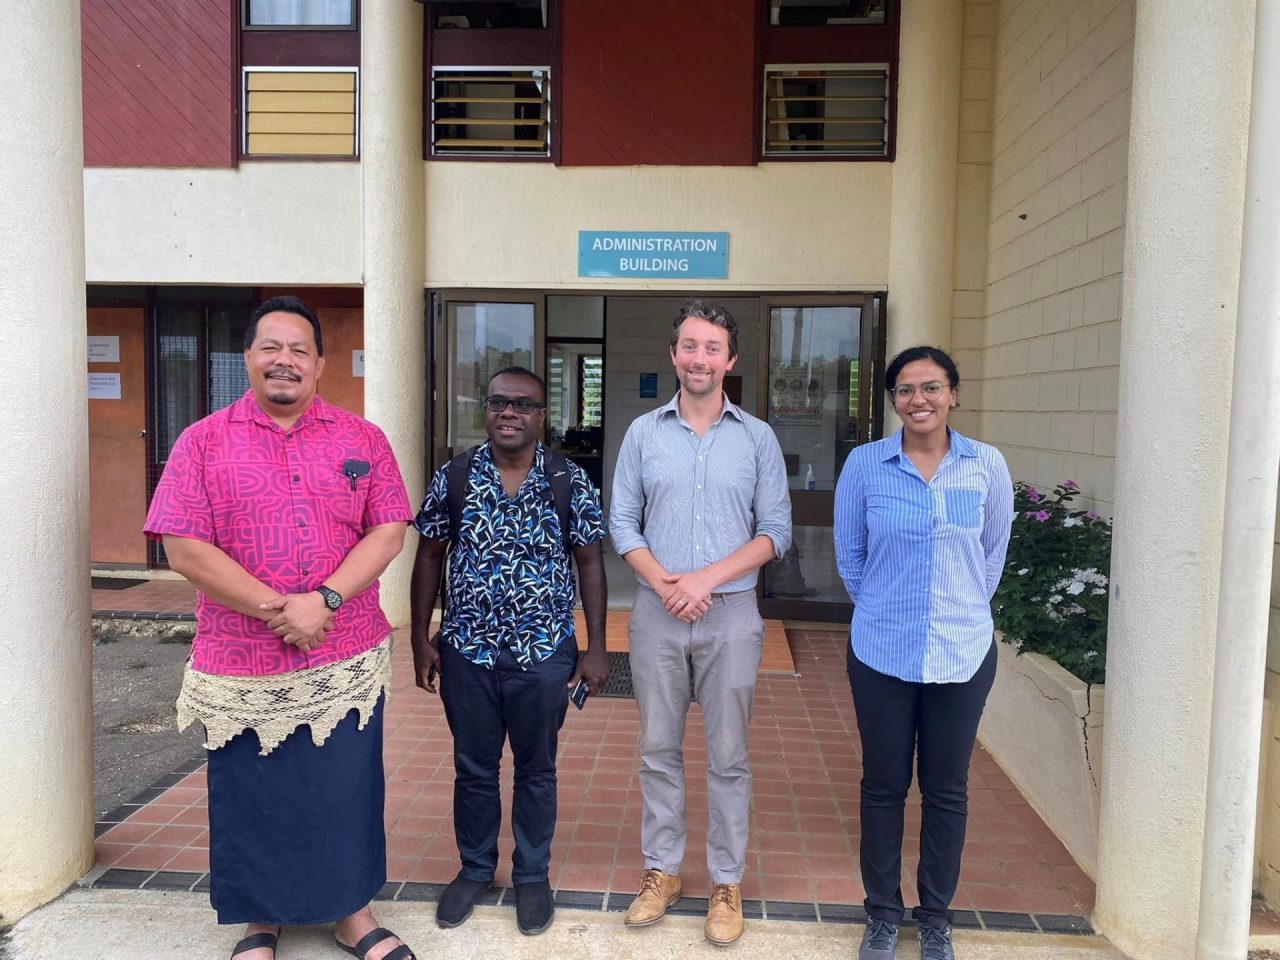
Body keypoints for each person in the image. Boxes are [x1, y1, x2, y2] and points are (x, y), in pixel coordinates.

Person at [143, 295, 416, 960]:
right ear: (248, 359)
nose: (285, 361)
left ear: (320, 365)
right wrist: (280, 607)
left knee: (342, 787)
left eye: (300, 350)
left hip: (342, 651)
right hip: (243, 660)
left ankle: (352, 913)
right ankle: (257, 921)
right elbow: (181, 546)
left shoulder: (363, 439)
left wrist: (322, 599)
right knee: (251, 792)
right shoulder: (202, 442)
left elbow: (388, 528)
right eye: (272, 348)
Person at [610, 300, 792, 946]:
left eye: (712, 348)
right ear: (674, 354)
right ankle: (662, 871)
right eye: (689, 346)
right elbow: (623, 522)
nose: (699, 359)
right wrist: (667, 584)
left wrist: (704, 581)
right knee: (658, 750)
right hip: (657, 616)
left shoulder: (757, 438)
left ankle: (725, 881)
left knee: (729, 756)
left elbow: (776, 531)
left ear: (730, 360)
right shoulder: (642, 434)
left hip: (732, 615)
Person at [408, 366, 609, 936]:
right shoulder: (456, 475)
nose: (509, 413)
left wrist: (596, 650)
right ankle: (474, 868)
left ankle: (531, 875)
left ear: (542, 416)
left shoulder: (569, 479)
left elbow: (590, 563)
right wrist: (421, 638)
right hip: (468, 650)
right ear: (486, 411)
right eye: (498, 402)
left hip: (544, 654)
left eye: (523, 405)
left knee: (536, 770)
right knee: (473, 769)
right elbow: (428, 557)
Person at [833, 345, 1014, 960]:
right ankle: (882, 912)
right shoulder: (865, 465)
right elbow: (850, 557)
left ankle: (934, 915)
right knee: (883, 785)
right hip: (882, 651)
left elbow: (991, 557)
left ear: (953, 395)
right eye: (906, 390)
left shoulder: (986, 465)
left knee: (947, 789)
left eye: (931, 387)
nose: (919, 400)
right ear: (893, 401)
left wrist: (956, 611)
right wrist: (888, 609)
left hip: (961, 653)